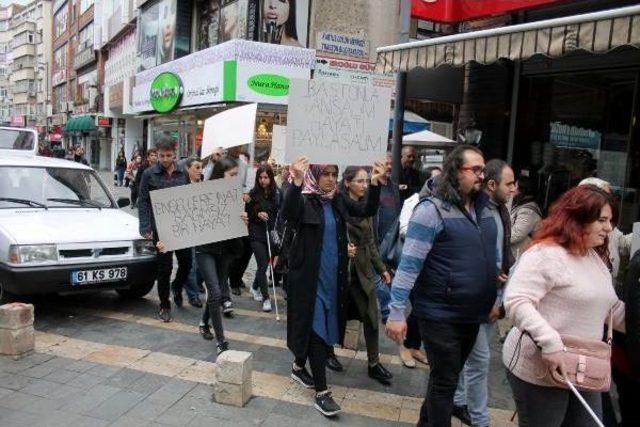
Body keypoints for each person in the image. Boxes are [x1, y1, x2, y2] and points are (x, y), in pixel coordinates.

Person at [386, 145, 499, 427]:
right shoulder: (431, 210)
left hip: (472, 314)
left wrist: (495, 297)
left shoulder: (485, 209)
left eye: (483, 170)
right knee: (446, 381)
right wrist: (397, 312)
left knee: (444, 379)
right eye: (475, 170)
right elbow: (409, 265)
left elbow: (491, 261)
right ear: (454, 172)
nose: (481, 176)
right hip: (439, 314)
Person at [502, 184, 625, 426]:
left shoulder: (593, 258)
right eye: (602, 220)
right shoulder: (545, 254)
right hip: (541, 368)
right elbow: (517, 301)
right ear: (577, 219)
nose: (608, 228)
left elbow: (607, 308)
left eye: (609, 221)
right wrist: (549, 342)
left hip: (584, 367)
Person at [284, 156, 386, 417]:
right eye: (325, 173)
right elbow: (289, 214)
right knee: (318, 330)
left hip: (334, 278)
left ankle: (298, 367)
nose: (330, 178)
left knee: (319, 326)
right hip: (309, 280)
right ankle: (322, 393)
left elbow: (365, 211)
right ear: (314, 175)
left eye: (334, 173)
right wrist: (296, 181)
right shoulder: (305, 199)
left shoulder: (337, 199)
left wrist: (375, 184)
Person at [453, 159, 516, 427]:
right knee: (479, 362)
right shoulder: (476, 211)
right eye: (510, 183)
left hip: (494, 297)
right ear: (492, 185)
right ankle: (480, 420)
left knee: (469, 358)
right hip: (476, 299)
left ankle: (457, 401)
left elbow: (500, 252)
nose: (515, 189)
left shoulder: (500, 210)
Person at [329, 166, 393, 385]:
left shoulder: (366, 209)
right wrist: (342, 249)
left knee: (372, 317)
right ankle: (328, 352)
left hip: (363, 271)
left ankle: (374, 363)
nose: (365, 185)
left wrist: (382, 268)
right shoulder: (336, 203)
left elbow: (370, 242)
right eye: (361, 181)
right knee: (335, 314)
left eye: (367, 181)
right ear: (347, 183)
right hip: (341, 271)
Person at [138, 138, 189, 322]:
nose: (165, 159)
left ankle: (177, 286)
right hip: (161, 228)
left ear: (174, 154)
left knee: (186, 263)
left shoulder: (184, 173)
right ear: (157, 155)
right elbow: (142, 200)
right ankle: (164, 304)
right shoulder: (149, 174)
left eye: (168, 155)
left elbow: (189, 197)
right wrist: (145, 227)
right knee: (164, 268)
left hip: (181, 225)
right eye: (162, 156)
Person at [196, 156, 243, 355]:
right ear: (219, 174)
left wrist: (243, 219)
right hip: (205, 250)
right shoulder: (203, 194)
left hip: (226, 251)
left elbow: (237, 226)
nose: (235, 179)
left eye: (236, 176)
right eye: (231, 175)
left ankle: (203, 322)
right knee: (215, 293)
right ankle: (221, 340)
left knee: (216, 293)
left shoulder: (235, 195)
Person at [246, 164, 281, 312]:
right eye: (260, 177)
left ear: (271, 178)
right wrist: (257, 214)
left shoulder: (276, 193)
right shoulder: (252, 193)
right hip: (256, 233)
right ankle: (266, 298)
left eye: (266, 177)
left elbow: (280, 212)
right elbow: (247, 213)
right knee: (262, 265)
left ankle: (254, 287)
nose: (263, 180)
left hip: (270, 232)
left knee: (266, 263)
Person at [373, 153, 402, 325]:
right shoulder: (372, 186)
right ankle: (387, 311)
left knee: (387, 276)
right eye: (387, 163)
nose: (389, 167)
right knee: (376, 276)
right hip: (375, 240)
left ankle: (388, 311)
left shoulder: (394, 187)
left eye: (391, 163)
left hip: (390, 241)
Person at [183, 157, 204, 309]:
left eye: (201, 167)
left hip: (202, 230)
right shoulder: (181, 186)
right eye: (196, 167)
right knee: (191, 263)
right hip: (187, 231)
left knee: (201, 264)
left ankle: (188, 284)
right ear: (188, 169)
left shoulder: (204, 186)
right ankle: (193, 295)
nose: (200, 170)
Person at [510, 175, 543, 261]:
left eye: (515, 186)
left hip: (519, 256)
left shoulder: (528, 211)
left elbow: (516, 235)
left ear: (523, 190)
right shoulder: (522, 205)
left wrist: (497, 236)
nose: (513, 189)